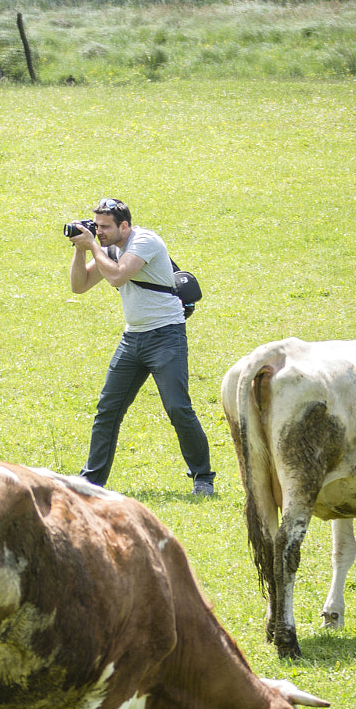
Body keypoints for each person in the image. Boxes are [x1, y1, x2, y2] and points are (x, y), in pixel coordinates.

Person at [68, 197, 215, 496]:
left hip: (165, 336)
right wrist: (80, 250)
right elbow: (79, 285)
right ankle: (90, 483)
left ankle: (203, 477)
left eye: (105, 227)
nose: (100, 232)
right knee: (107, 411)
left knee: (177, 408)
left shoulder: (144, 241)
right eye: (96, 227)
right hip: (132, 338)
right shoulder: (106, 245)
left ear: (125, 225)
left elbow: (118, 275)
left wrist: (94, 247)